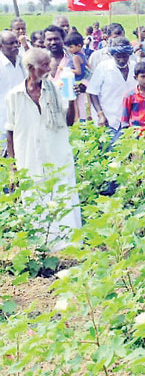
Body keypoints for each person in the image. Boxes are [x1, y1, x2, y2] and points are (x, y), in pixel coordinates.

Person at [5, 47, 80, 251]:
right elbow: (10, 132)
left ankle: (68, 250)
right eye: (44, 65)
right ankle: (42, 249)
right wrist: (13, 167)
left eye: (49, 64)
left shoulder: (55, 89)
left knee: (63, 202)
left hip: (57, 156)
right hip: (29, 159)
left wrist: (72, 98)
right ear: (31, 68)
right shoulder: (15, 95)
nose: (49, 68)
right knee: (35, 204)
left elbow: (69, 121)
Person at [87, 37, 137, 145]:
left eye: (125, 56)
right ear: (112, 55)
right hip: (108, 118)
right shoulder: (103, 67)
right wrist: (100, 114)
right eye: (118, 57)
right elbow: (92, 92)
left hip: (129, 120)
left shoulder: (134, 67)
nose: (122, 60)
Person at [0, 30, 25, 154]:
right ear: (1, 46)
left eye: (16, 42)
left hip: (22, 118)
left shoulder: (22, 62)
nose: (15, 46)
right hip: (3, 120)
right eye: (10, 43)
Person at [65, 32, 89, 121]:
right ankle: (83, 119)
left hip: (76, 81)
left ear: (79, 46)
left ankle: (78, 119)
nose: (69, 49)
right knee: (81, 102)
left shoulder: (75, 57)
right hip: (83, 81)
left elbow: (78, 71)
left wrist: (66, 70)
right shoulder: (82, 55)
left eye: (71, 47)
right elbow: (88, 66)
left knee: (75, 103)